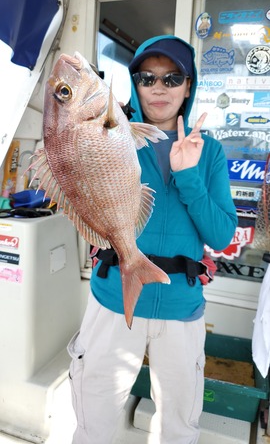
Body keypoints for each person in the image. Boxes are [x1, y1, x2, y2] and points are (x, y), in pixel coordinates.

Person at [67, 34, 237, 444]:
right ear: (134, 84)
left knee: (179, 427)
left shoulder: (209, 152)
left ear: (188, 86)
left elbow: (221, 235)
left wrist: (188, 174)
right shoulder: (109, 137)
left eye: (172, 77)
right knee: (94, 420)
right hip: (112, 299)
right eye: (147, 78)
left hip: (181, 306)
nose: (159, 88)